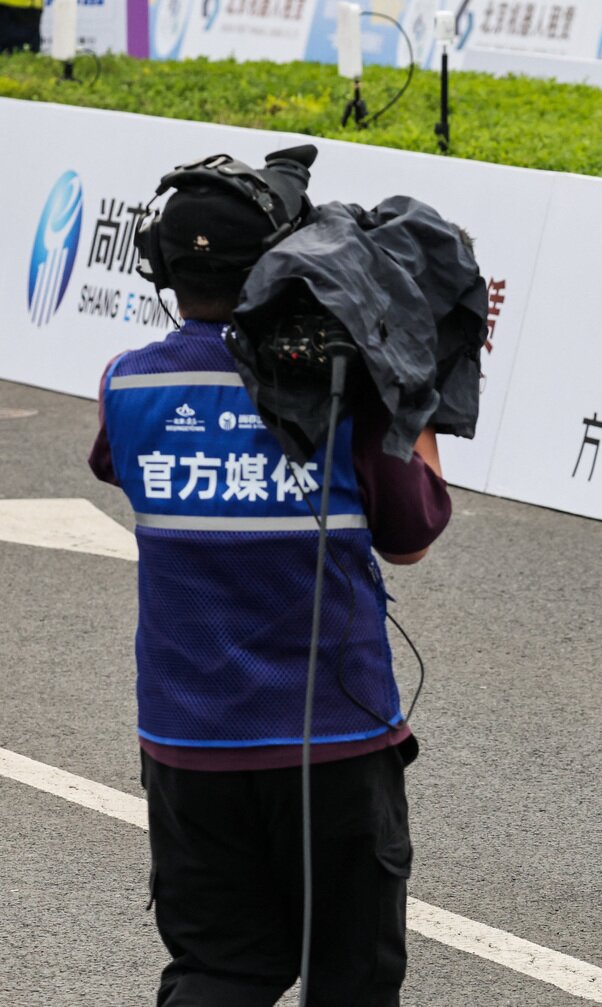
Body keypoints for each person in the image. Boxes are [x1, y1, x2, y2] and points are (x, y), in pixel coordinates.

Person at [88, 151, 452, 1005]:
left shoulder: (126, 387)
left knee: (220, 969)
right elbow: (413, 536)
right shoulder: (341, 392)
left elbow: (119, 463)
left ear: (159, 267)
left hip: (187, 749)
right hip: (331, 744)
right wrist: (413, 395)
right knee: (350, 979)